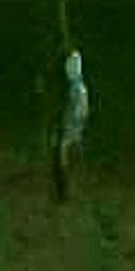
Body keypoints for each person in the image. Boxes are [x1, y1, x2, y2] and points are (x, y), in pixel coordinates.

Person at [51, 47, 90, 205]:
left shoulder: (78, 89)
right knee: (64, 155)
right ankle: (64, 190)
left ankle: (64, 192)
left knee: (63, 156)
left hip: (72, 129)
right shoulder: (75, 87)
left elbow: (80, 112)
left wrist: (70, 128)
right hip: (71, 128)